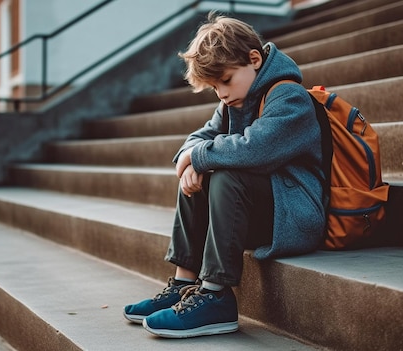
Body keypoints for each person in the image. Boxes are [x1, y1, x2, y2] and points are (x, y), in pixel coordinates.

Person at [123, 12, 327, 338]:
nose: (221, 93)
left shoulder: (290, 98)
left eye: (226, 81)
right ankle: (184, 283)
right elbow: (196, 139)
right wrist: (190, 162)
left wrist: (198, 157)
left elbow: (256, 148)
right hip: (259, 212)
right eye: (214, 87)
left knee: (224, 174)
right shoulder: (234, 101)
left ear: (254, 59)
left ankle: (216, 296)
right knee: (199, 176)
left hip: (296, 216)